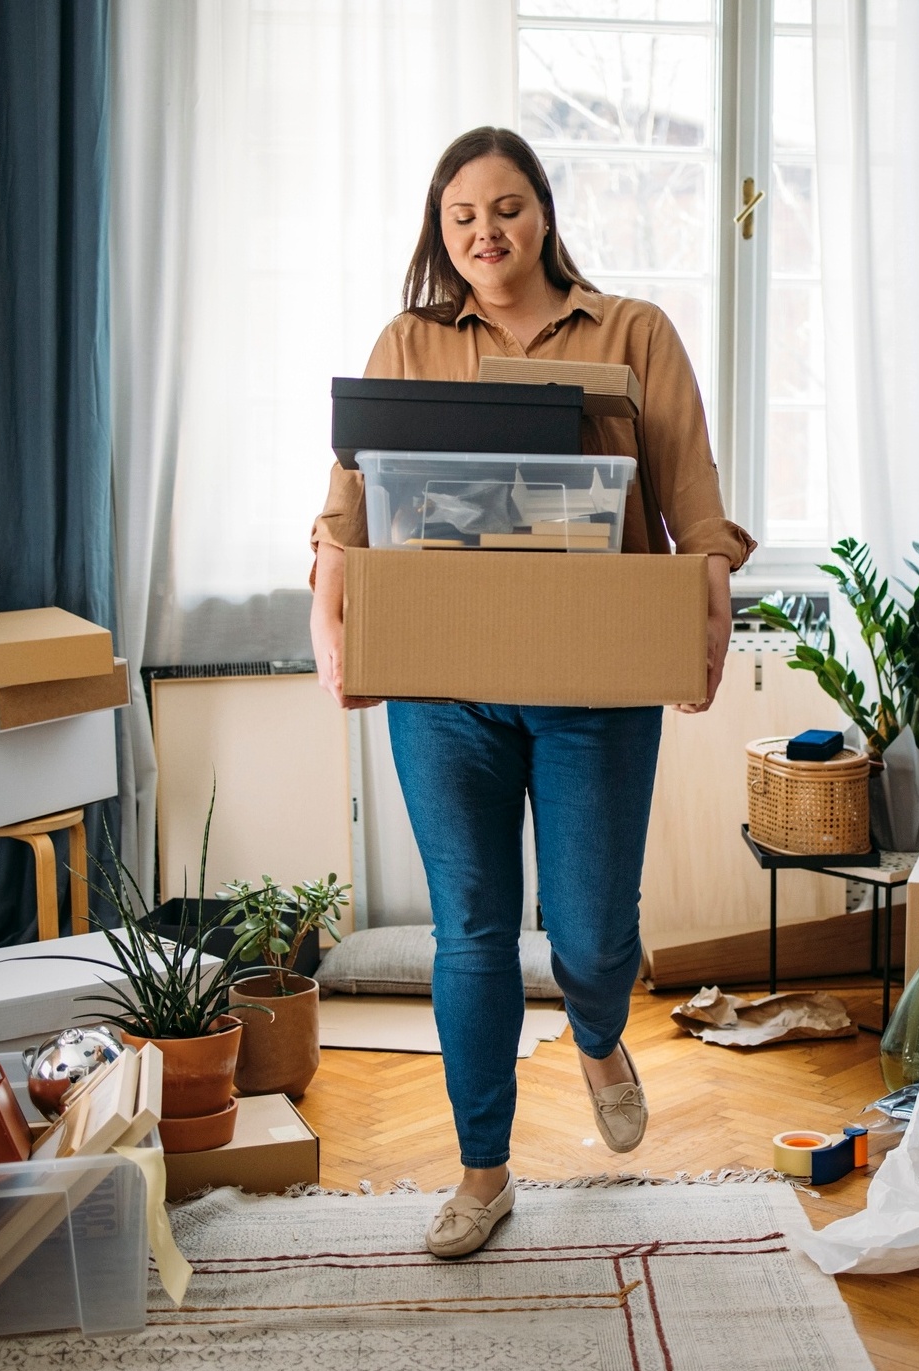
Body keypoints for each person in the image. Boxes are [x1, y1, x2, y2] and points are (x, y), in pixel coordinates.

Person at [308, 127, 755, 1258]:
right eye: (462, 217)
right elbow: (344, 515)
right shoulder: (406, 344)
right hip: (444, 685)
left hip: (591, 680)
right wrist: (331, 621)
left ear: (543, 215)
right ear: (439, 231)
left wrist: (705, 615)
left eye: (505, 209)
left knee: (594, 934)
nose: (484, 233)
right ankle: (481, 1171)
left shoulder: (630, 333)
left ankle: (599, 1032)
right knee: (471, 933)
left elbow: (691, 499)